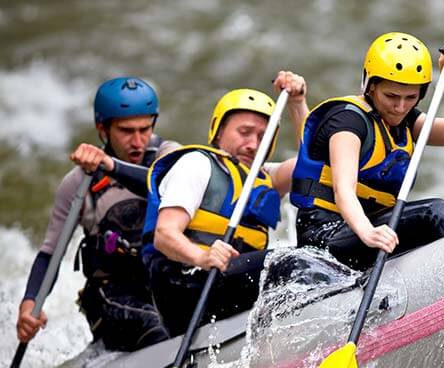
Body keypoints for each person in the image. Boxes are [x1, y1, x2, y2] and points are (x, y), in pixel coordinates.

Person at [16, 77, 179, 351]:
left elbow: (162, 183)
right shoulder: (78, 183)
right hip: (112, 298)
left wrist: (111, 165)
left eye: (145, 129)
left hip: (162, 283)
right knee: (156, 326)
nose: (138, 141)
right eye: (126, 131)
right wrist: (29, 305)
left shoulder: (169, 155)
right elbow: (50, 254)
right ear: (102, 128)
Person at [290, 32, 444, 271]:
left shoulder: (405, 121)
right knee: (435, 212)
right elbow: (343, 190)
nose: (400, 107)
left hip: (371, 228)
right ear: (371, 86)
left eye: (410, 97)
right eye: (391, 96)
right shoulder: (347, 122)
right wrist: (368, 233)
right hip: (326, 235)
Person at [142, 72, 308, 336]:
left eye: (262, 136)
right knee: (292, 263)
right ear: (218, 132)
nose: (253, 144)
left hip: (228, 283)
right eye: (244, 133)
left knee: (313, 258)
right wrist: (202, 256)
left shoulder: (268, 178)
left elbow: (314, 163)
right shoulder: (196, 164)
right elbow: (164, 234)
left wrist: (297, 103)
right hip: (186, 285)